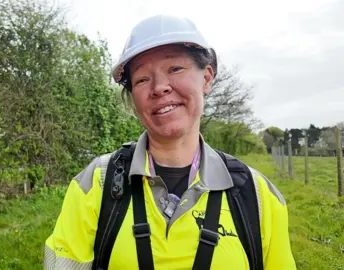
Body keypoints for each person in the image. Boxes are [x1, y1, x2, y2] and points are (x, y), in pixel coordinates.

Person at [43, 14, 296, 270]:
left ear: (207, 77)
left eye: (175, 69)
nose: (159, 87)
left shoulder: (257, 195)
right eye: (142, 79)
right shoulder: (96, 184)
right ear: (133, 97)